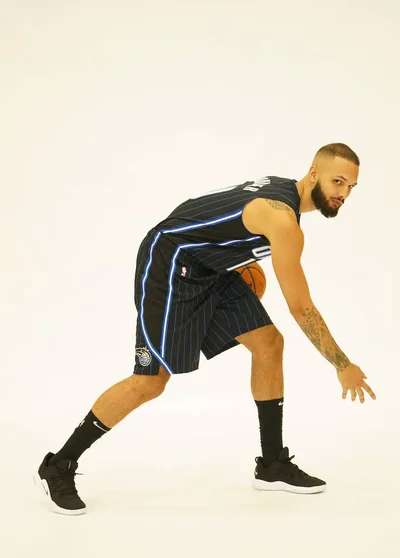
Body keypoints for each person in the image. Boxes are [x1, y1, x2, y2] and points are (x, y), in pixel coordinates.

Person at [34, 142, 377, 515]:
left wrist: (225, 255)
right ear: (314, 173)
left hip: (208, 265)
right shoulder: (284, 222)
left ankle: (273, 465)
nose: (342, 193)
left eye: (350, 187)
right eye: (337, 181)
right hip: (171, 263)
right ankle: (58, 465)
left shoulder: (281, 191)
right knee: (151, 381)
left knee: (268, 342)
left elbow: (206, 208)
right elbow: (300, 306)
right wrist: (342, 365)